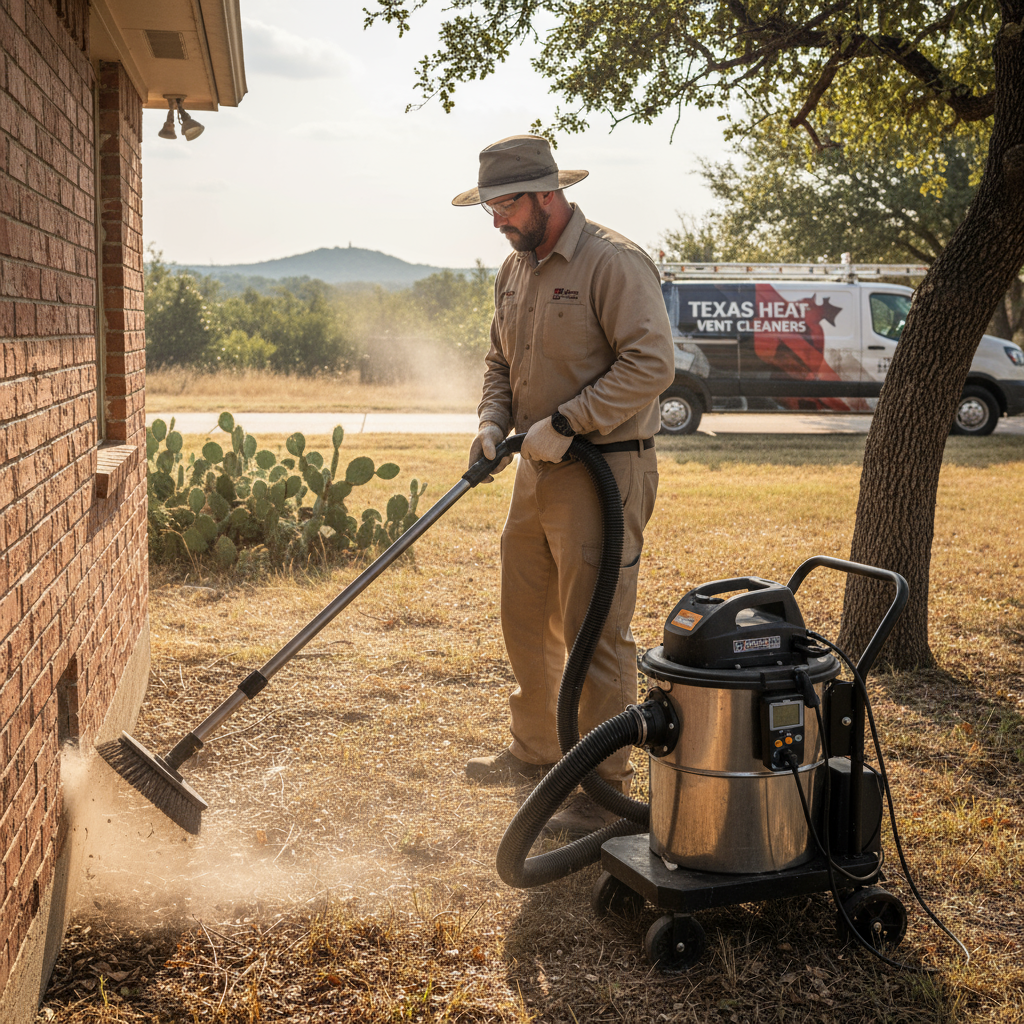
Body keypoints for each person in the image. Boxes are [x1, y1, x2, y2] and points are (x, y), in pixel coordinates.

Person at [454, 134, 675, 835]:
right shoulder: (514, 268)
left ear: (547, 195)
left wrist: (569, 421)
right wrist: (493, 422)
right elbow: (499, 361)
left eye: (505, 206)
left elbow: (652, 364)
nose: (496, 221)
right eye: (488, 208)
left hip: (603, 469)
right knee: (526, 615)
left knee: (594, 630)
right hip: (535, 468)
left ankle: (601, 787)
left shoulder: (613, 262)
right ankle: (537, 752)